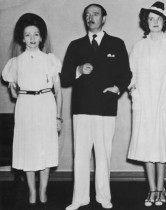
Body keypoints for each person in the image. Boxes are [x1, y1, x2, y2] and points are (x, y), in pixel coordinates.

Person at [60, 3, 132, 210]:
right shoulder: (75, 45)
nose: (91, 17)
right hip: (81, 108)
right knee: (80, 156)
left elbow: (126, 74)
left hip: (106, 108)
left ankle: (104, 197)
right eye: (87, 14)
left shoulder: (116, 44)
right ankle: (79, 198)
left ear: (104, 18)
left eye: (95, 14)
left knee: (103, 156)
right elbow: (64, 78)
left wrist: (117, 88)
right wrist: (79, 70)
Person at [127, 1, 166, 207]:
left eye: (158, 19)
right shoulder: (139, 46)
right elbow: (130, 74)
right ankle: (152, 188)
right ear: (146, 22)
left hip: (163, 102)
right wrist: (134, 93)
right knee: (146, 146)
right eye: (150, 19)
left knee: (161, 145)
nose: (154, 22)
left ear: (164, 22)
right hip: (143, 103)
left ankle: (161, 188)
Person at [2, 13, 63, 209]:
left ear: (41, 37)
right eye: (28, 35)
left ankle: (43, 190)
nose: (32, 39)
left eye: (36, 35)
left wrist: (58, 116)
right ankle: (32, 191)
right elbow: (14, 95)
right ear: (22, 38)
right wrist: (13, 86)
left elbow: (58, 93)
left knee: (44, 149)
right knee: (28, 150)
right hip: (25, 106)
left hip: (46, 104)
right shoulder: (15, 63)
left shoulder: (50, 60)